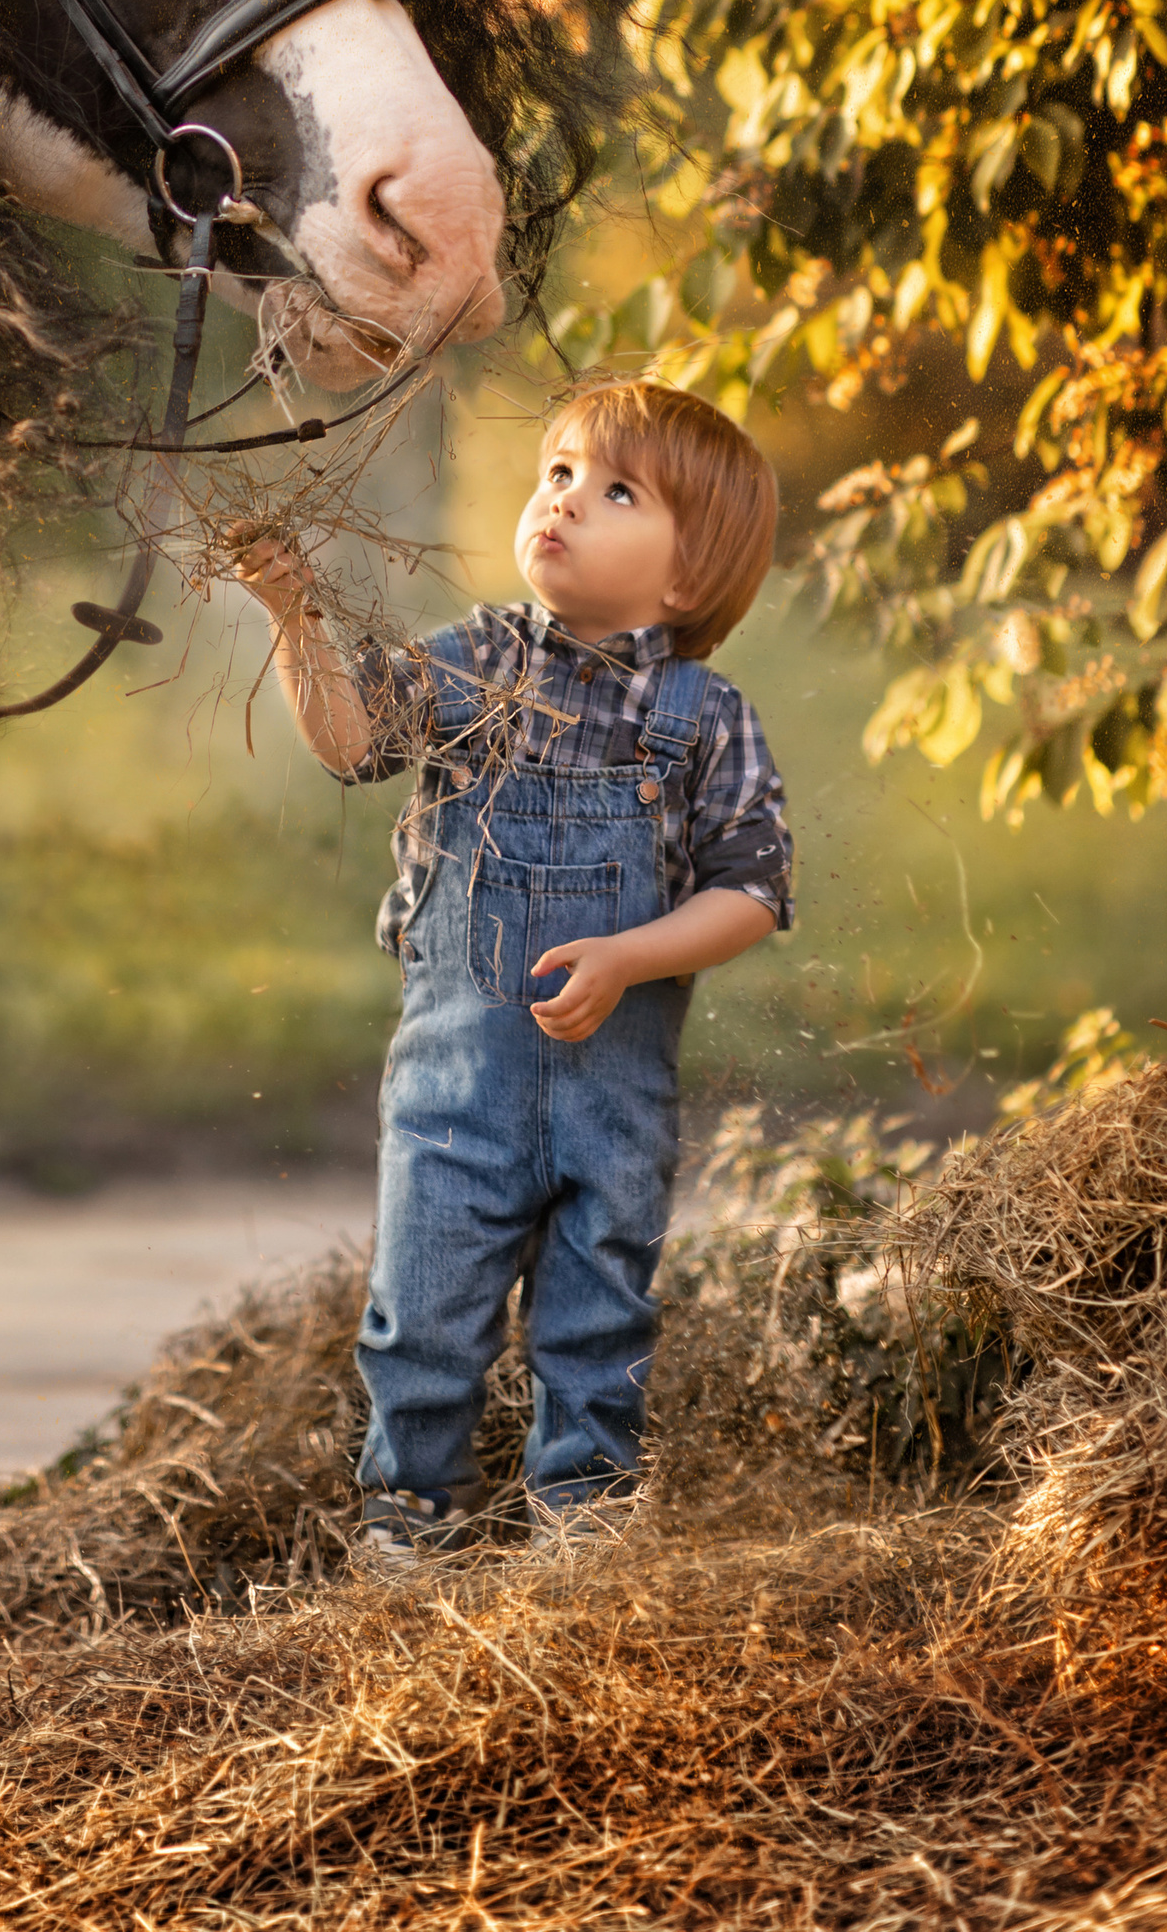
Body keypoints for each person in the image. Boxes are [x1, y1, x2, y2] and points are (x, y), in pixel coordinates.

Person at [230, 377, 792, 1569]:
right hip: (455, 1088)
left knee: (597, 1316)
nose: (565, 500)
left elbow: (750, 891)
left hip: (611, 1099)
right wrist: (294, 612)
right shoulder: (481, 659)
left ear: (686, 576)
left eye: (617, 491)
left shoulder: (704, 716)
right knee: (422, 1310)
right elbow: (353, 740)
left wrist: (628, 954)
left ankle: (584, 1526)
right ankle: (409, 1517)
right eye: (559, 472)